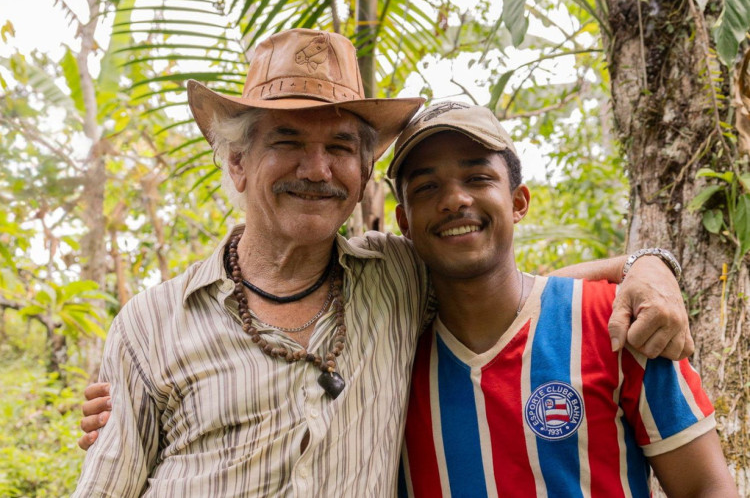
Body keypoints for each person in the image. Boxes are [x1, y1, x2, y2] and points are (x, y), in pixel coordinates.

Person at [74, 29, 693, 497]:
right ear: (237, 162)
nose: (316, 169)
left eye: (340, 146)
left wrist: (646, 265)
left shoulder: (395, 276)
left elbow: (514, 293)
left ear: (364, 172)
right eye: (287, 141)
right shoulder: (150, 325)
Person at [391, 102, 737, 497]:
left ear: (519, 201)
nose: (454, 200)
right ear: (404, 222)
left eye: (477, 177)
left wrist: (648, 264)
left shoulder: (617, 322)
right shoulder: (390, 361)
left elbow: (705, 487)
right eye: (426, 187)